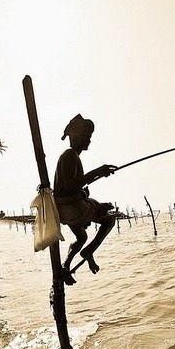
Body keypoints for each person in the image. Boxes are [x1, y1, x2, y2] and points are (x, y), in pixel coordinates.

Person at [54, 114, 117, 285]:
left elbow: (71, 186)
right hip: (74, 209)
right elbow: (69, 187)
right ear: (74, 137)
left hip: (67, 212)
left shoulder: (70, 157)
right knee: (109, 219)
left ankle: (65, 265)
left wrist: (90, 183)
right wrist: (98, 171)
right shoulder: (70, 155)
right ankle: (89, 251)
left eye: (89, 137)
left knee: (81, 237)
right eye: (85, 136)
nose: (89, 140)